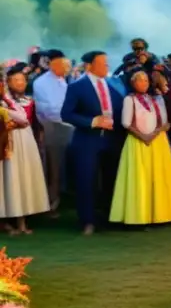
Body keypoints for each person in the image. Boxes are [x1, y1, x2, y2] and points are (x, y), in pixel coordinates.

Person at [109, 68, 171, 227]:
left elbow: (164, 121)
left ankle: (161, 214)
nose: (143, 83)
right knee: (140, 179)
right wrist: (143, 136)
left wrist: (158, 131)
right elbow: (126, 123)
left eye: (145, 80)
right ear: (133, 83)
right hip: (138, 143)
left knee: (158, 178)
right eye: (139, 80)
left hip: (158, 142)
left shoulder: (155, 99)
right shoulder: (130, 99)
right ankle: (139, 216)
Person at [60, 51, 124, 236]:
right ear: (90, 65)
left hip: (111, 139)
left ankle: (109, 216)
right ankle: (87, 220)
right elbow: (66, 114)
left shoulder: (111, 85)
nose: (107, 66)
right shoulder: (77, 87)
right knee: (86, 180)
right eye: (103, 63)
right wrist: (92, 122)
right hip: (87, 140)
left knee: (111, 177)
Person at [1, 68, 49, 235]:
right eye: (16, 80)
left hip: (27, 142)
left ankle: (23, 221)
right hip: (9, 141)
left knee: (24, 179)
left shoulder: (29, 101)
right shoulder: (3, 102)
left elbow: (34, 123)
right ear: (8, 82)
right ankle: (6, 221)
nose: (20, 83)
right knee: (9, 179)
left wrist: (39, 140)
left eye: (22, 80)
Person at [28, 49, 72, 213]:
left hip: (66, 127)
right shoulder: (42, 82)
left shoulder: (63, 81)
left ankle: (60, 199)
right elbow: (50, 110)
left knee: (61, 167)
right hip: (51, 128)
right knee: (53, 167)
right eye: (63, 63)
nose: (67, 67)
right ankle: (50, 203)